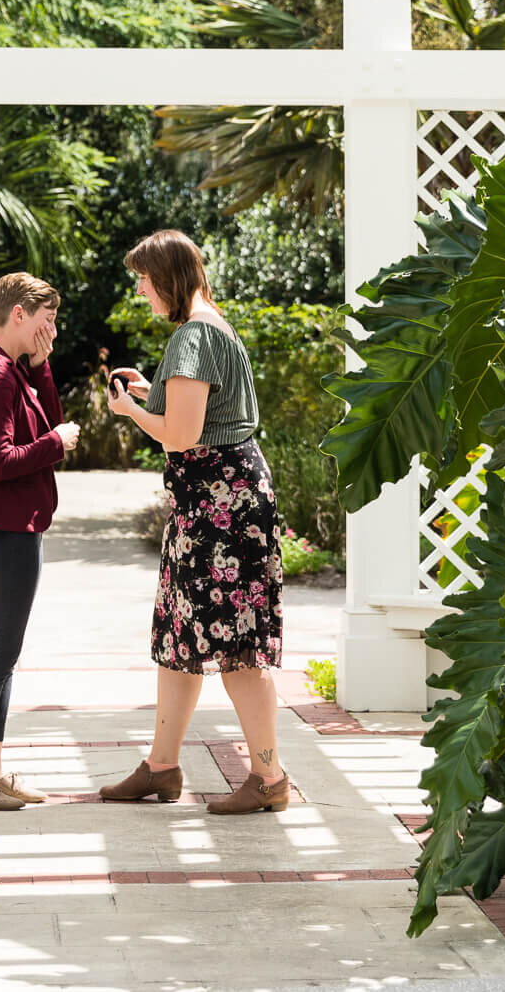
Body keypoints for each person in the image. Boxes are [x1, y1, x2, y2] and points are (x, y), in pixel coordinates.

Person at [102, 230, 290, 814]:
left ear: (169, 278)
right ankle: (161, 768)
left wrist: (131, 409)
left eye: (144, 279)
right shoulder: (214, 327)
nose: (141, 290)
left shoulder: (193, 335)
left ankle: (269, 778)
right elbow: (193, 415)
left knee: (236, 646)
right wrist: (150, 392)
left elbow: (182, 435)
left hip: (219, 509)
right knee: (182, 639)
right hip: (219, 502)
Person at [0, 272, 82, 811]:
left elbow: (48, 419)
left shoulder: (12, 369)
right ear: (19, 314)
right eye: (45, 323)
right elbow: (2, 462)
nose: (49, 332)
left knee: (6, 654)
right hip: (5, 531)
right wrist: (55, 442)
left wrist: (42, 365)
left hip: (17, 527)